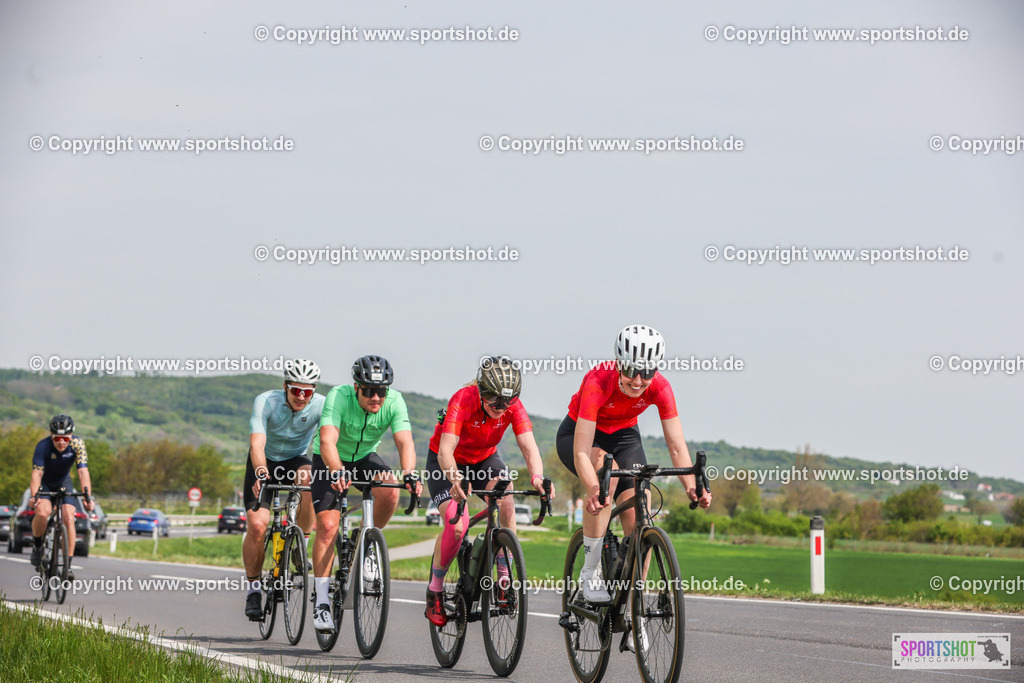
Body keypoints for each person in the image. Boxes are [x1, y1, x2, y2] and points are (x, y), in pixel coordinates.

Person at [557, 325, 712, 610]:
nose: (639, 380)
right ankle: (590, 572)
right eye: (630, 370)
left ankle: (635, 596)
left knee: (641, 503)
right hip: (581, 435)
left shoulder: (661, 387)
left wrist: (692, 487)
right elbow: (581, 450)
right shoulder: (597, 381)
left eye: (647, 372)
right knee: (608, 480)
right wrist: (594, 487)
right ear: (618, 363)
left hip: (625, 436)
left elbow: (677, 446)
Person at [423, 356, 553, 626]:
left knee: (506, 500)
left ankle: (503, 577)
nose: (501, 408)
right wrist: (455, 478)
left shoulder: (513, 406)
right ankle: (435, 589)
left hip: (483, 459)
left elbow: (529, 448)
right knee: (458, 526)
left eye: (507, 402)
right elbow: (446, 450)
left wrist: (538, 478)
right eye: (494, 401)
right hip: (446, 462)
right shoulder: (463, 399)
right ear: (482, 392)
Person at [309, 354, 423, 632]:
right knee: (327, 526)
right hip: (329, 459)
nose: (376, 397)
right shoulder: (339, 396)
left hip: (363, 458)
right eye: (370, 391)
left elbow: (405, 442)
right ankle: (322, 600)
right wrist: (336, 470)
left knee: (390, 490)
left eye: (381, 391)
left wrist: (409, 473)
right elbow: (327, 441)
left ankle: (365, 544)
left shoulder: (394, 401)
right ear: (357, 387)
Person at [242, 358, 325, 620]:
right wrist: (260, 471)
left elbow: (329, 441)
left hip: (296, 460)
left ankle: (301, 546)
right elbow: (257, 442)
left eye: (307, 391)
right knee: (257, 526)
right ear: (285, 386)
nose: (301, 397)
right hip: (264, 461)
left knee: (311, 479)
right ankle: (253, 589)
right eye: (296, 390)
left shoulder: (322, 406)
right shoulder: (267, 401)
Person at [29, 414, 94, 572]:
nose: (61, 442)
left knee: (69, 517)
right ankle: (38, 546)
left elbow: (82, 472)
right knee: (43, 513)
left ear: (71, 435)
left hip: (64, 482)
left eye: (65, 438)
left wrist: (87, 497)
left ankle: (67, 565)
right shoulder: (43, 446)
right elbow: (36, 474)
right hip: (45, 483)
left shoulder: (78, 444)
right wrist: (34, 496)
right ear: (51, 435)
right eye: (57, 438)